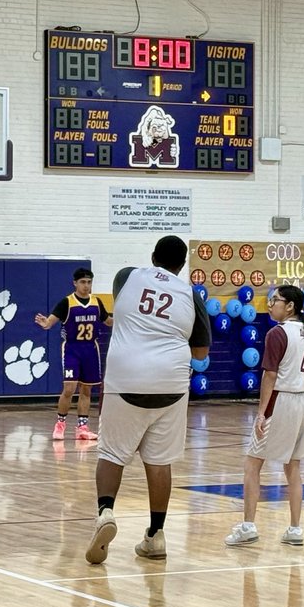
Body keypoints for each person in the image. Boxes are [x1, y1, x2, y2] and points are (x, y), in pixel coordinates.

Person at [85, 236, 211, 564]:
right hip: (170, 381)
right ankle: (156, 535)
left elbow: (128, 311)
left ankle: (106, 512)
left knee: (112, 453)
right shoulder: (192, 294)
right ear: (182, 265)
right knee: (158, 461)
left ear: (153, 256)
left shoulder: (126, 276)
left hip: (126, 377)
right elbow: (200, 354)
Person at [224, 286, 304, 548]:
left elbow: (270, 375)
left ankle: (248, 526)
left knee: (252, 464)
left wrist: (261, 413)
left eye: (274, 300)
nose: (269, 304)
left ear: (290, 306)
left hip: (283, 400)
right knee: (294, 468)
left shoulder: (277, 333)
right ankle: (296, 529)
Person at [35, 267, 113, 441]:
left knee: (86, 390)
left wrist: (127, 317)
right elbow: (49, 323)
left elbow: (109, 322)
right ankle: (60, 424)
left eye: (89, 282)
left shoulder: (97, 302)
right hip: (72, 349)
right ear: (75, 283)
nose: (86, 286)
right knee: (69, 388)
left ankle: (82, 428)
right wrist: (44, 323)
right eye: (83, 282)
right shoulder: (67, 303)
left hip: (91, 350)